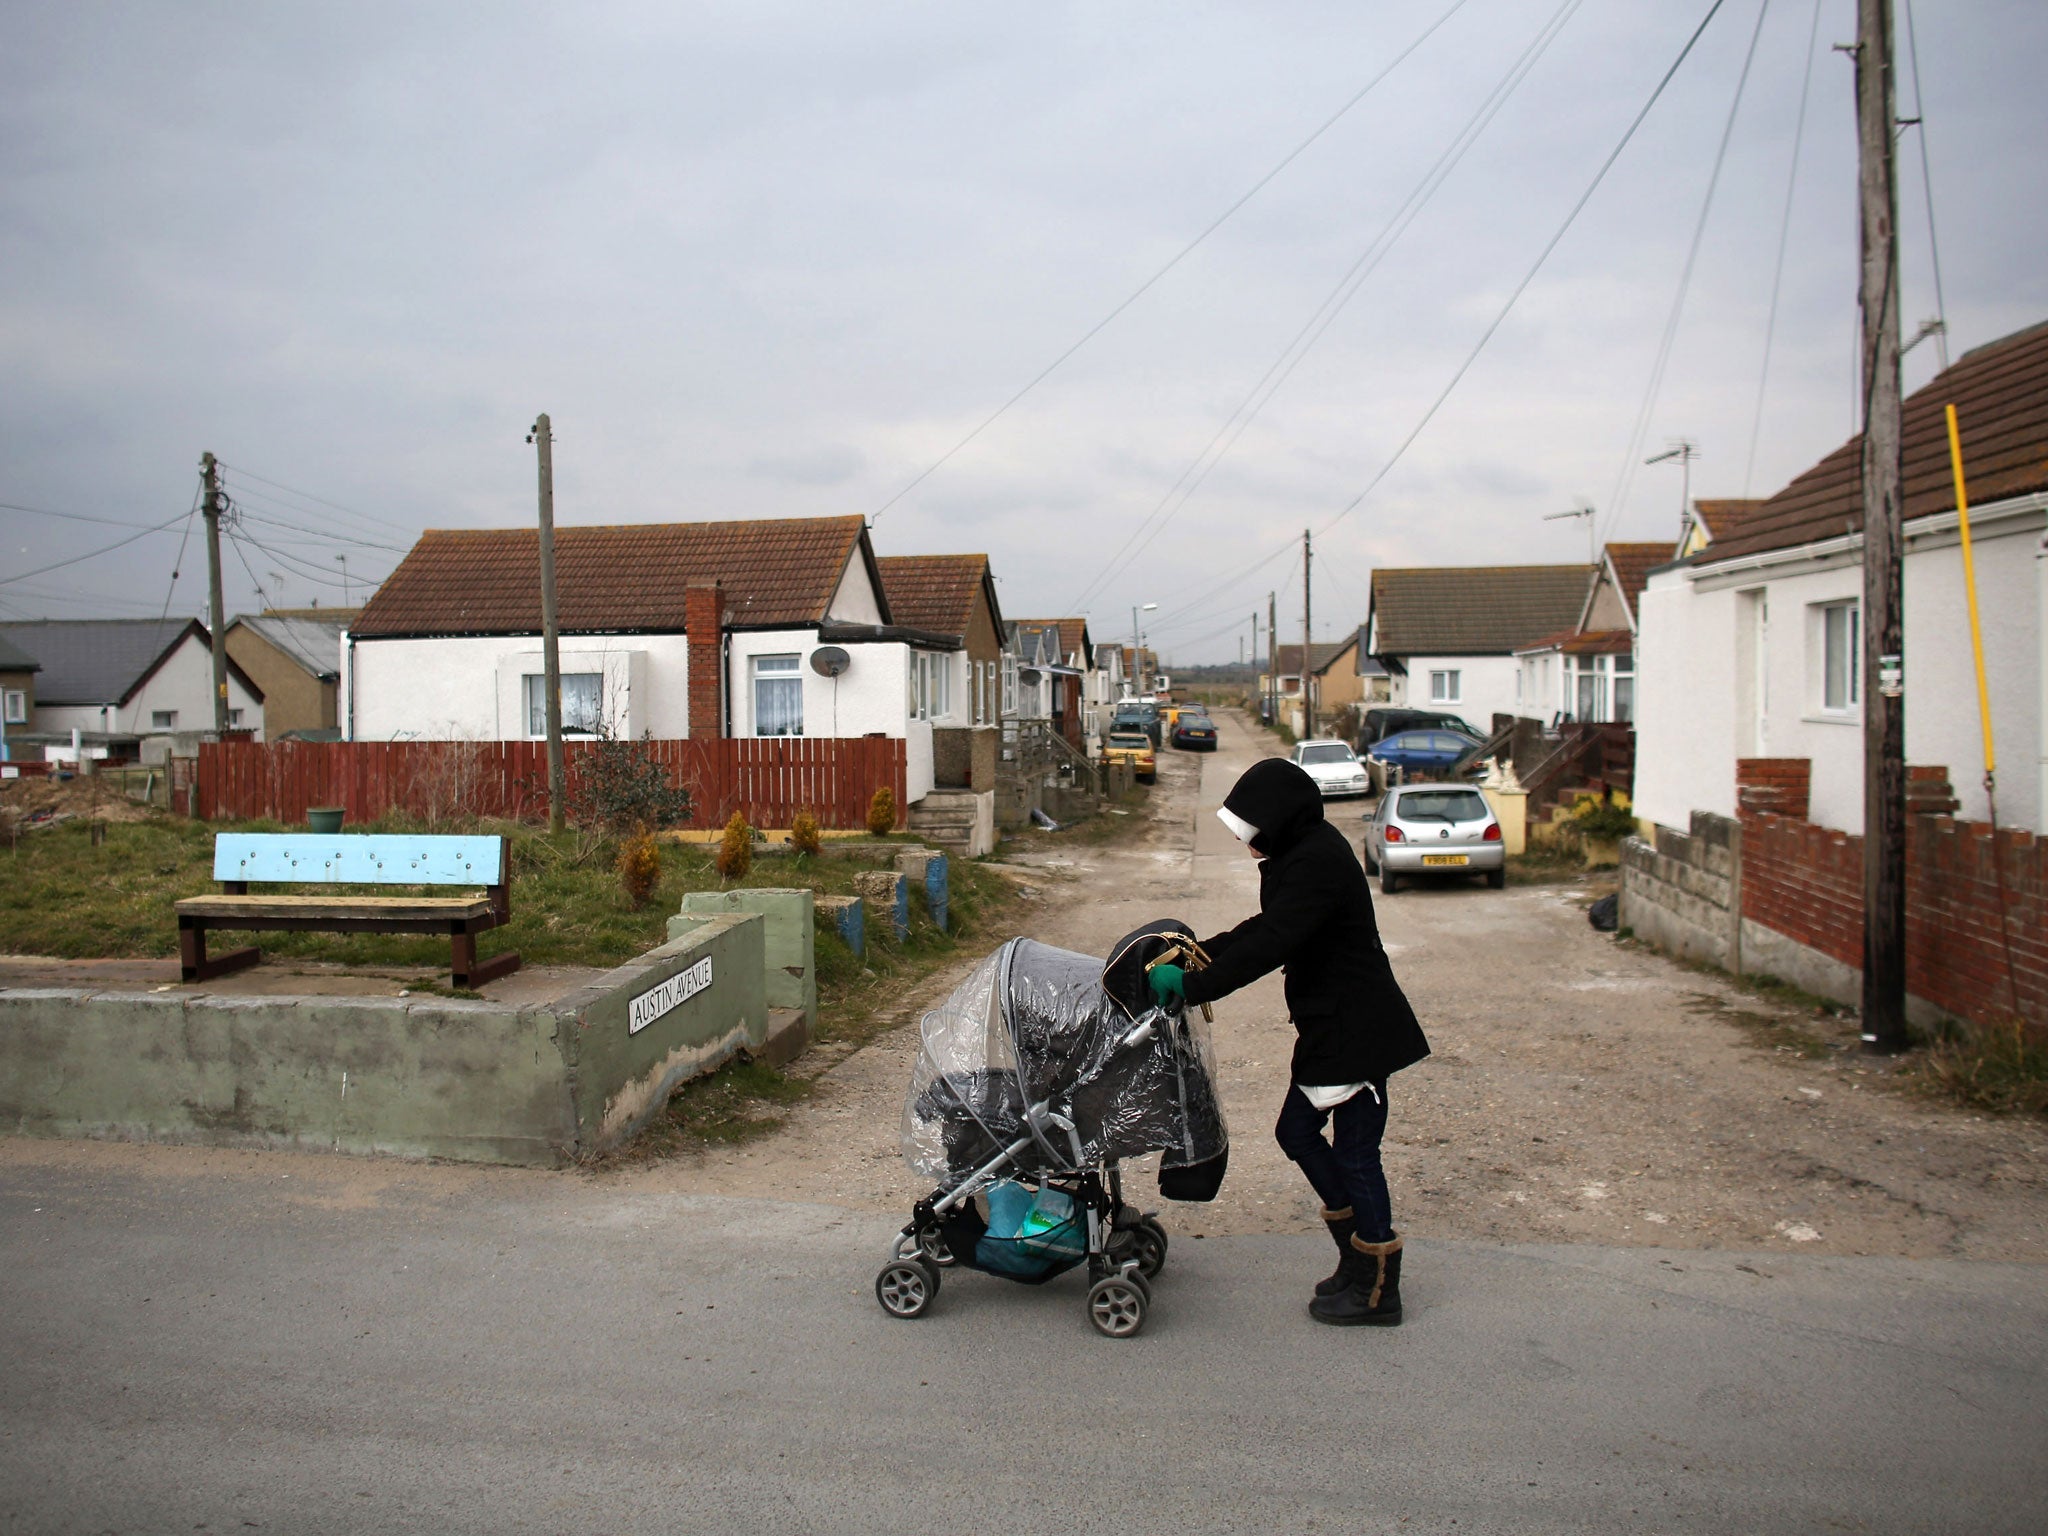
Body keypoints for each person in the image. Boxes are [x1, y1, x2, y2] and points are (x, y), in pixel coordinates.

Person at [1148, 757, 1429, 1325]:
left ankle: (1377, 1288)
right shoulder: (1298, 853)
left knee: (1353, 1154)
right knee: (1298, 1133)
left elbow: (1274, 942)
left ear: (1277, 820)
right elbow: (1265, 928)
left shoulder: (1316, 863)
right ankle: (1356, 1260)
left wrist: (1197, 984)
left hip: (1357, 1030)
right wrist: (1204, 948)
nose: (1248, 845)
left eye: (1251, 833)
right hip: (1333, 1026)